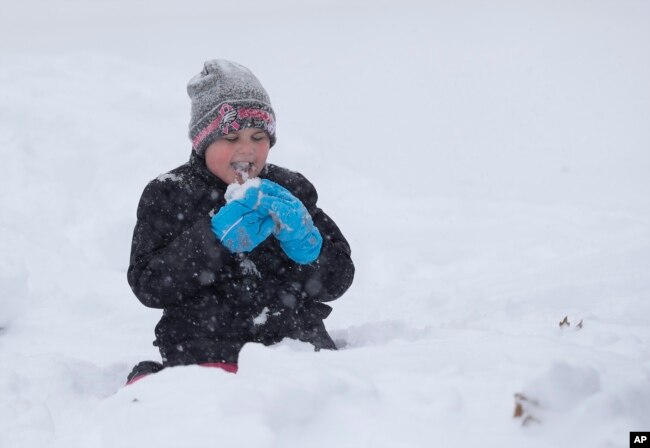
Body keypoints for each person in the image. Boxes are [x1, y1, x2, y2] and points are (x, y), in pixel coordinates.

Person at [125, 59, 355, 384]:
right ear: (202, 141)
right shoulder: (170, 193)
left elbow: (337, 281)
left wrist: (308, 248)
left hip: (296, 349)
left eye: (259, 136)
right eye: (231, 138)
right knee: (196, 399)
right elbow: (149, 285)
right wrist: (213, 240)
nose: (247, 149)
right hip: (204, 350)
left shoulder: (288, 190)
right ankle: (155, 384)